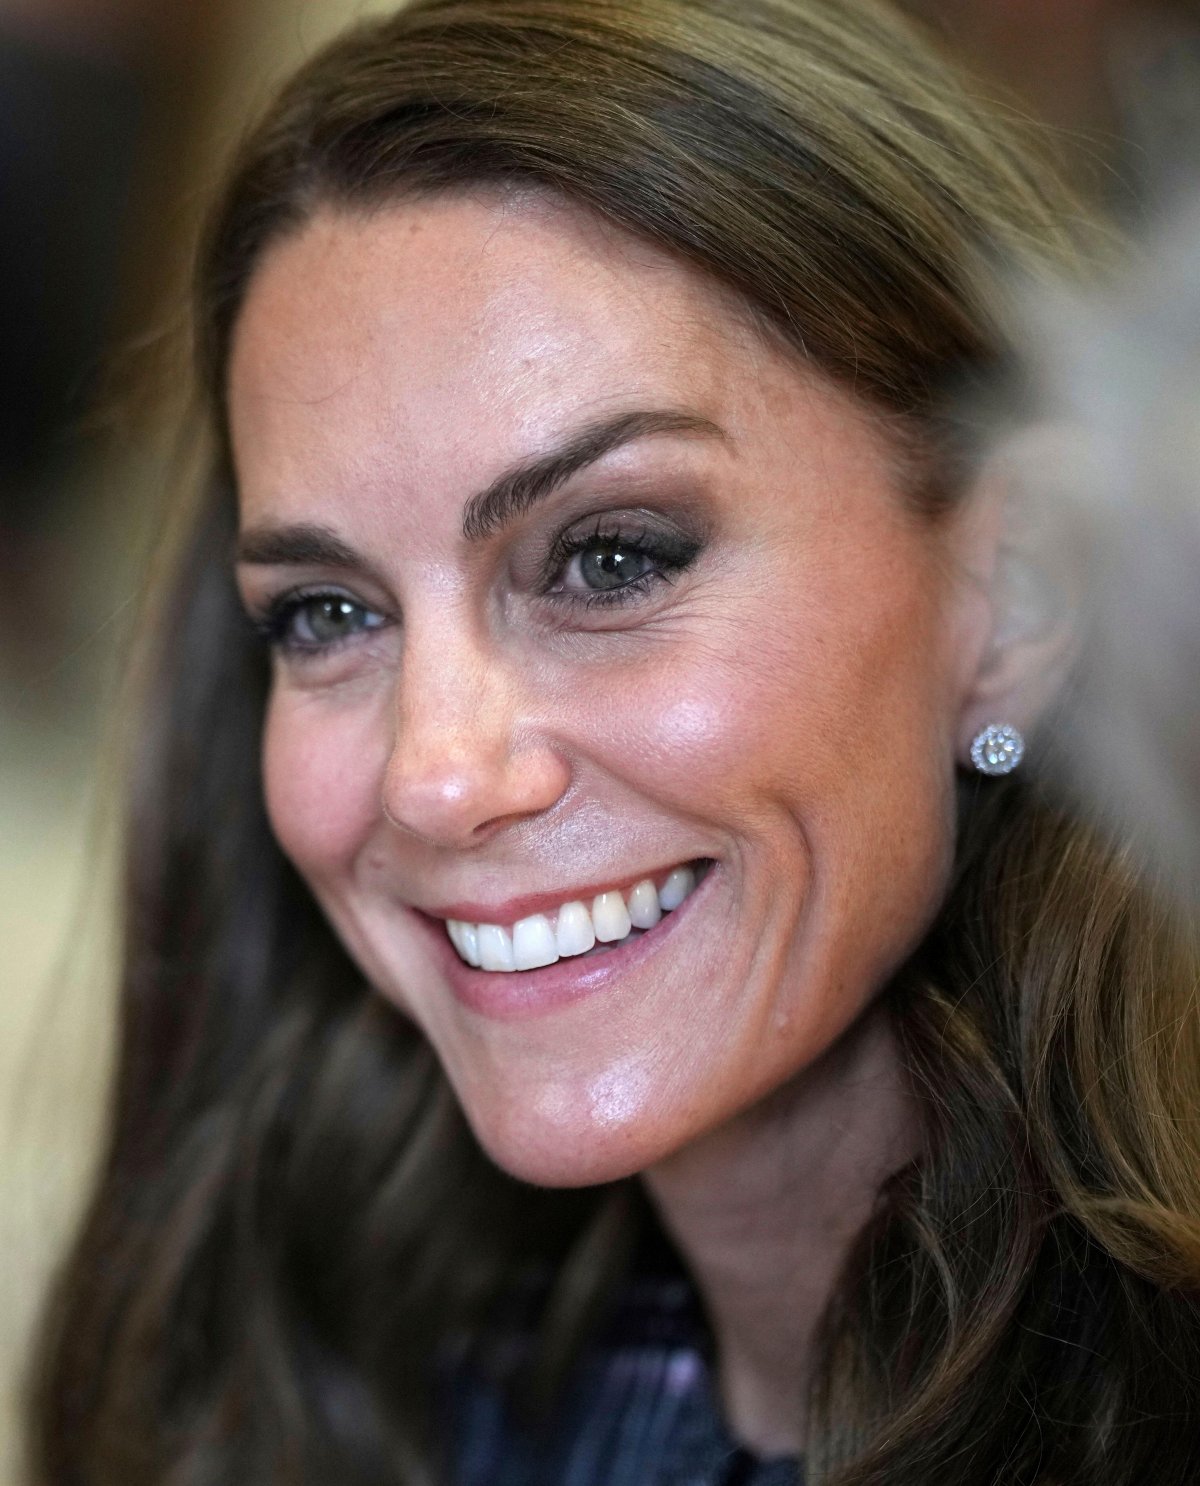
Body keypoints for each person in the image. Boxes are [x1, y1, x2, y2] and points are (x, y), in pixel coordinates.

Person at [27, 1, 1200, 1482]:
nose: (435, 775)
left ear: (1017, 588)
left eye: (609, 559)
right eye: (330, 613)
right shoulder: (352, 1396)